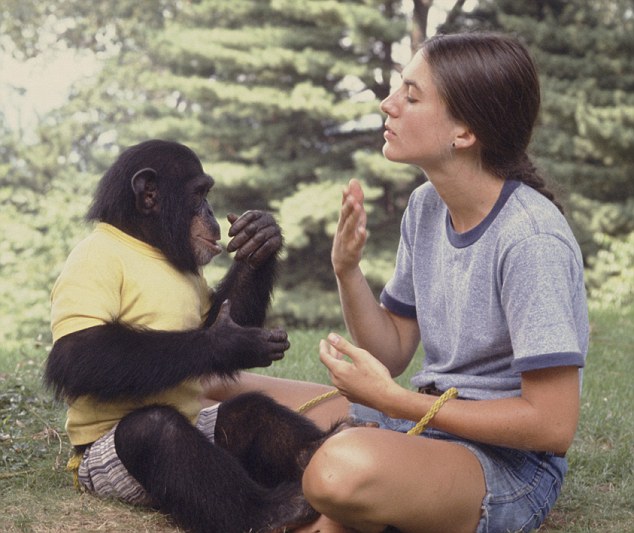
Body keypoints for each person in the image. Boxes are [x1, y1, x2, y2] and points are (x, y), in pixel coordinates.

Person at [291, 32, 589, 533]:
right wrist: (347, 270)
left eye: (411, 96)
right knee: (245, 400)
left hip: (509, 465)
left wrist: (393, 401)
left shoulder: (531, 239)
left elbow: (553, 426)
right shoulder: (427, 206)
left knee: (336, 470)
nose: (388, 104)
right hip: (421, 423)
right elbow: (392, 352)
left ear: (464, 133)